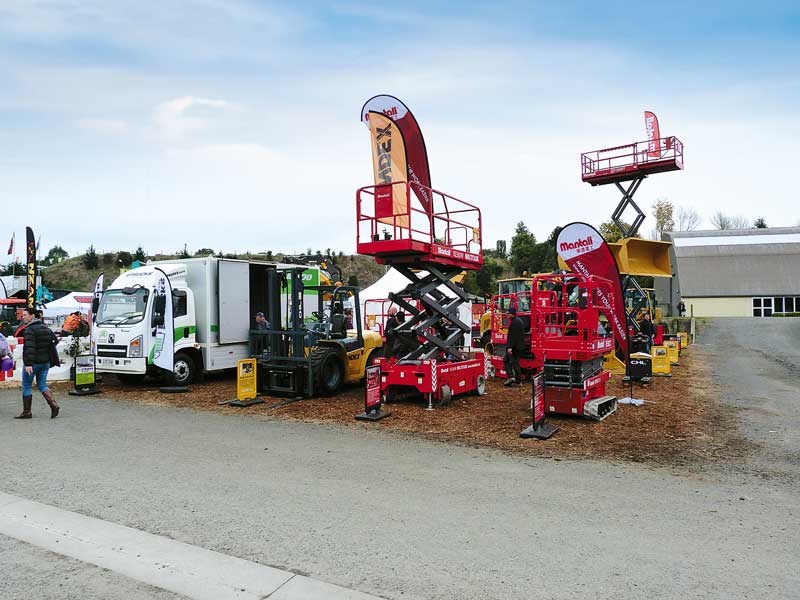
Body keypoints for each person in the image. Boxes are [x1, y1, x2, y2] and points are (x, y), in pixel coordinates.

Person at [14, 307, 59, 419]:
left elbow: (29, 348)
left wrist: (28, 364)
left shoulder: (29, 330)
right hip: (45, 362)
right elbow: (55, 341)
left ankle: (27, 412)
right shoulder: (45, 328)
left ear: (32, 316)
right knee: (42, 385)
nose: (23, 317)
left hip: (33, 363)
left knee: (27, 386)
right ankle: (53, 404)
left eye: (25, 315)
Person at [504, 307, 524, 386]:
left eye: (508, 313)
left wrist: (510, 347)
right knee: (507, 360)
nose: (507, 315)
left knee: (515, 363)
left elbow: (513, 336)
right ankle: (511, 377)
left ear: (512, 314)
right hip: (518, 346)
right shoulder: (518, 321)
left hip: (514, 348)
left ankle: (518, 381)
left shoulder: (514, 322)